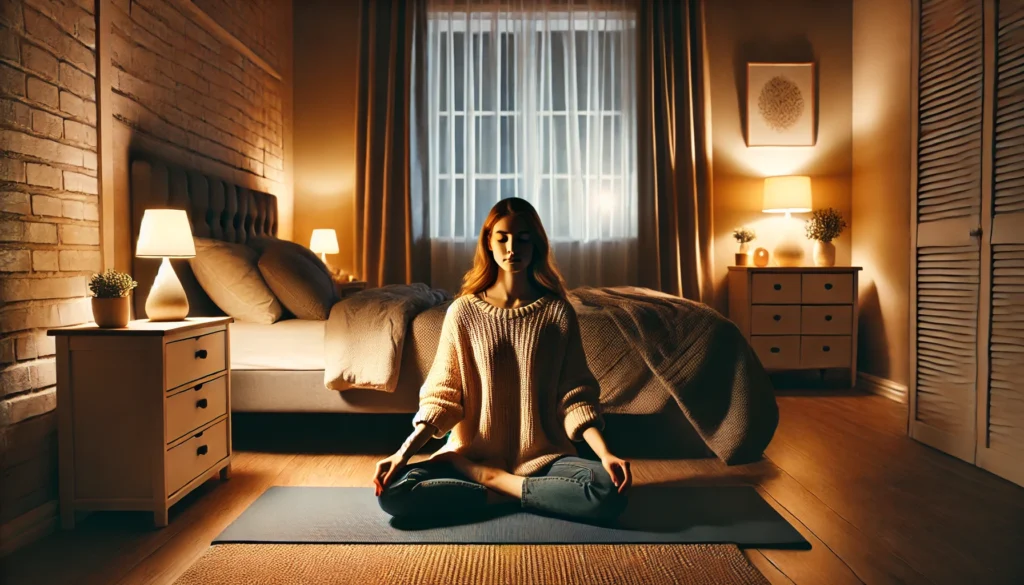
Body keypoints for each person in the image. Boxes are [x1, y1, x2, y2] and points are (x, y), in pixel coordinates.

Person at [373, 197, 632, 524]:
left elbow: (575, 396)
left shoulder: (556, 312)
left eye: (523, 238)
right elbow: (443, 396)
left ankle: (493, 484)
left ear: (536, 245)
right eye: (503, 238)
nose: (513, 247)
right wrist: (403, 452)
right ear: (488, 244)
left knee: (608, 490)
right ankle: (535, 495)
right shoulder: (463, 312)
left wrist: (605, 454)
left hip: (545, 459)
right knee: (395, 491)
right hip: (470, 456)